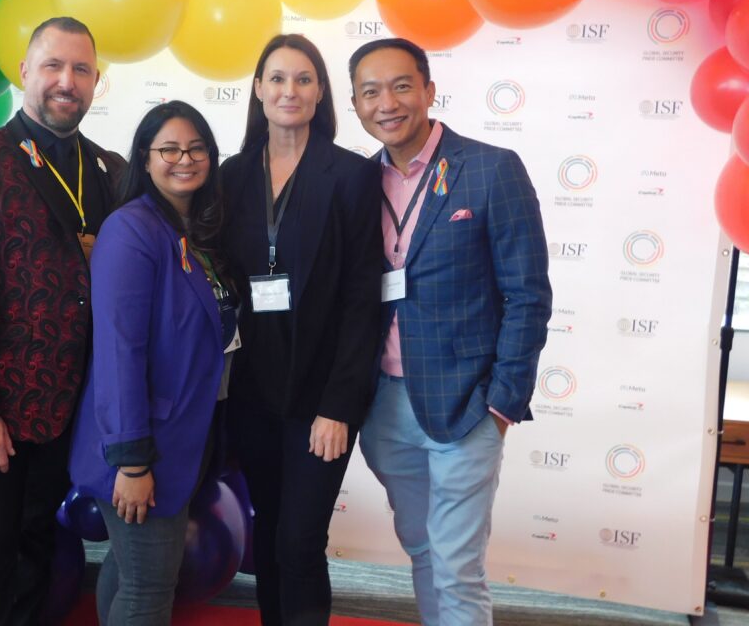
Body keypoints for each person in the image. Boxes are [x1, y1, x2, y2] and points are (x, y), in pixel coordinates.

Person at [0, 16, 125, 626]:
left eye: (82, 70)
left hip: (77, 412)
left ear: (95, 82)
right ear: (25, 73)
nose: (68, 81)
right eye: (55, 66)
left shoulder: (112, 170)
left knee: (39, 549)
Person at [349, 37, 552, 626]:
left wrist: (503, 403)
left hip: (467, 405)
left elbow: (528, 295)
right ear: (358, 105)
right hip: (384, 406)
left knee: (458, 566)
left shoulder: (491, 169)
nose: (388, 103)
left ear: (430, 91)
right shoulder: (356, 184)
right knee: (423, 551)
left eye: (402, 86)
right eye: (371, 92)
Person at [221, 34, 382, 625]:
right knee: (266, 536)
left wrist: (340, 406)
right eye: (278, 78)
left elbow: (365, 298)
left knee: (299, 541)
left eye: (304, 79)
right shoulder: (230, 175)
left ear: (320, 93)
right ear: (258, 89)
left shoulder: (350, 175)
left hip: (320, 400)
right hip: (251, 394)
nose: (290, 90)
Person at [69, 100, 237, 625]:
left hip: (183, 437)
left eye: (196, 148)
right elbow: (119, 351)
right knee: (148, 591)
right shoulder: (130, 229)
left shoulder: (194, 231)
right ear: (144, 158)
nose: (183, 159)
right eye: (168, 148)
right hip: (143, 447)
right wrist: (132, 461)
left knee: (129, 572)